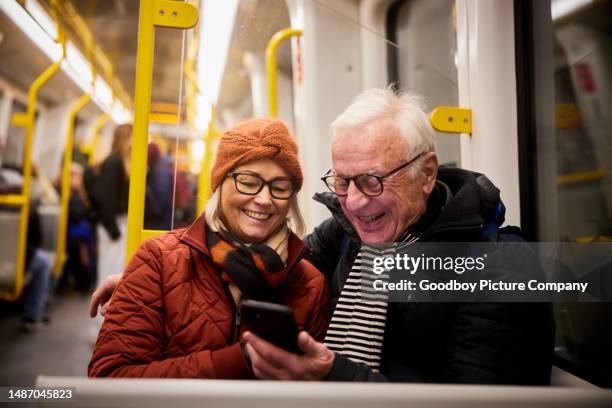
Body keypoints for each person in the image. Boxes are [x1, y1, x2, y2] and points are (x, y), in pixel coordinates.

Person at [90, 88, 554, 384]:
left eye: (372, 181)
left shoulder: (502, 266)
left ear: (426, 174)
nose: (353, 201)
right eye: (342, 181)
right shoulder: (350, 233)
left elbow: (479, 402)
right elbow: (277, 264)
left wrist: (336, 376)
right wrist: (156, 272)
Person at [88, 118, 329, 378]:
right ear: (219, 183)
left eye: (280, 188)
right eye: (248, 182)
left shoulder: (311, 285)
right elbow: (110, 377)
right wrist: (237, 361)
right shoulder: (158, 261)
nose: (263, 199)